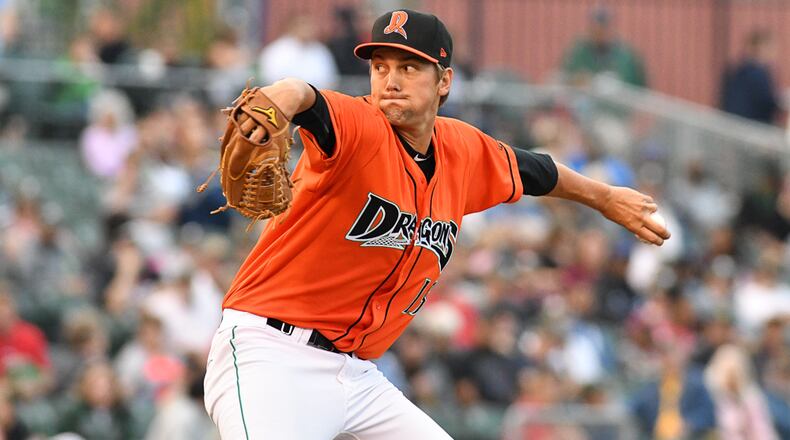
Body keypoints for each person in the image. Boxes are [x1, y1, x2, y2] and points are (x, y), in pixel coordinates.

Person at [203, 9, 669, 439]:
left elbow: (537, 171)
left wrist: (605, 197)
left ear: (444, 81)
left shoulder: (461, 149)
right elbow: (309, 100)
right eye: (380, 66)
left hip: (356, 374)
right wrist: (282, 94)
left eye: (408, 67)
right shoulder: (360, 126)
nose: (390, 80)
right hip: (270, 355)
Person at [561, 6, 648, 88]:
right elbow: (565, 78)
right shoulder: (579, 52)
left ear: (611, 28)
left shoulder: (627, 55)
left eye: (603, 28)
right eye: (596, 29)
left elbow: (641, 87)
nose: (600, 33)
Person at [720, 30, 783, 125]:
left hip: (731, 124)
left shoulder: (736, 69)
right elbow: (766, 102)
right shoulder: (756, 73)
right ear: (760, 48)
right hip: (751, 126)